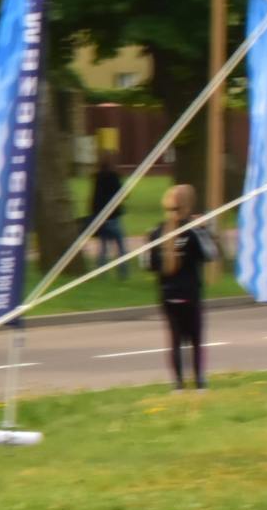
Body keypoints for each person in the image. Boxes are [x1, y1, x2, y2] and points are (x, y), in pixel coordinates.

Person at [143, 182, 217, 390]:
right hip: (190, 293)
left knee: (175, 339)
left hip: (167, 294)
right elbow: (210, 254)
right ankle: (199, 382)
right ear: (189, 204)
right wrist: (205, 230)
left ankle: (178, 384)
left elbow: (148, 264)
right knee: (195, 339)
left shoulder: (156, 232)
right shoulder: (193, 231)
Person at [89, 154, 128, 276]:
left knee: (103, 245)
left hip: (101, 217)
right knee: (121, 245)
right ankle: (123, 272)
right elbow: (121, 194)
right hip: (113, 216)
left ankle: (101, 271)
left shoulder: (97, 178)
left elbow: (94, 198)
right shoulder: (114, 177)